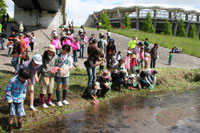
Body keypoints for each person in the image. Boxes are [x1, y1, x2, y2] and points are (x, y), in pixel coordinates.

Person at [6, 69, 30, 133]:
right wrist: (9, 99)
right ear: (19, 76)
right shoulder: (12, 81)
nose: (24, 80)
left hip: (20, 99)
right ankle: (10, 128)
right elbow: (8, 90)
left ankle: (20, 126)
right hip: (12, 100)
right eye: (23, 79)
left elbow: (24, 90)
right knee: (12, 114)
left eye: (25, 79)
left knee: (20, 114)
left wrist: (23, 97)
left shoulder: (25, 82)